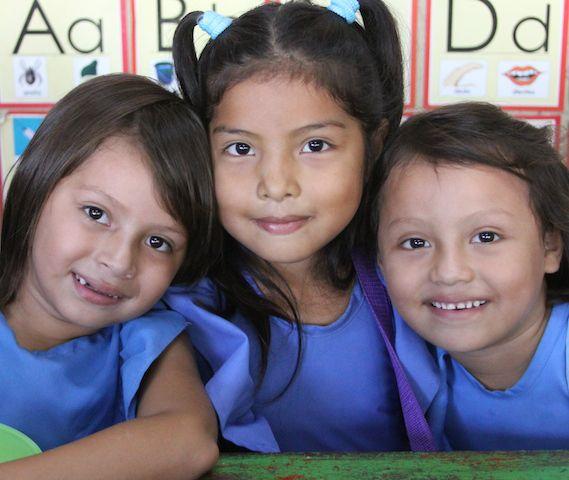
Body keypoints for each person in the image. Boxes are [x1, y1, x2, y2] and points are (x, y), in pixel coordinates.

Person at [165, 0, 420, 452]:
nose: (277, 185)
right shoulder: (176, 304)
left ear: (374, 144)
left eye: (315, 145)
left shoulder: (416, 281)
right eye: (240, 149)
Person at [0, 74, 220, 478]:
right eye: (96, 213)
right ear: (37, 183)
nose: (120, 262)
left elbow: (189, 441)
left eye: (157, 242)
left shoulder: (147, 339)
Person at [376, 102, 569, 450]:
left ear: (550, 247)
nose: (450, 273)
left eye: (486, 237)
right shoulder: (402, 356)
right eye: (415, 242)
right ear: (379, 261)